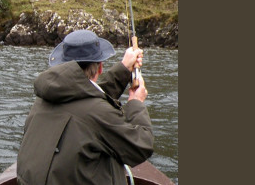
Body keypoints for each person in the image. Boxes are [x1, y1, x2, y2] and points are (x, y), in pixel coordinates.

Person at [16, 30, 153, 185]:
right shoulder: (96, 112)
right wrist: (136, 103)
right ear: (100, 67)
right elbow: (141, 146)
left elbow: (85, 98)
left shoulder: (45, 97)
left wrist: (123, 69)